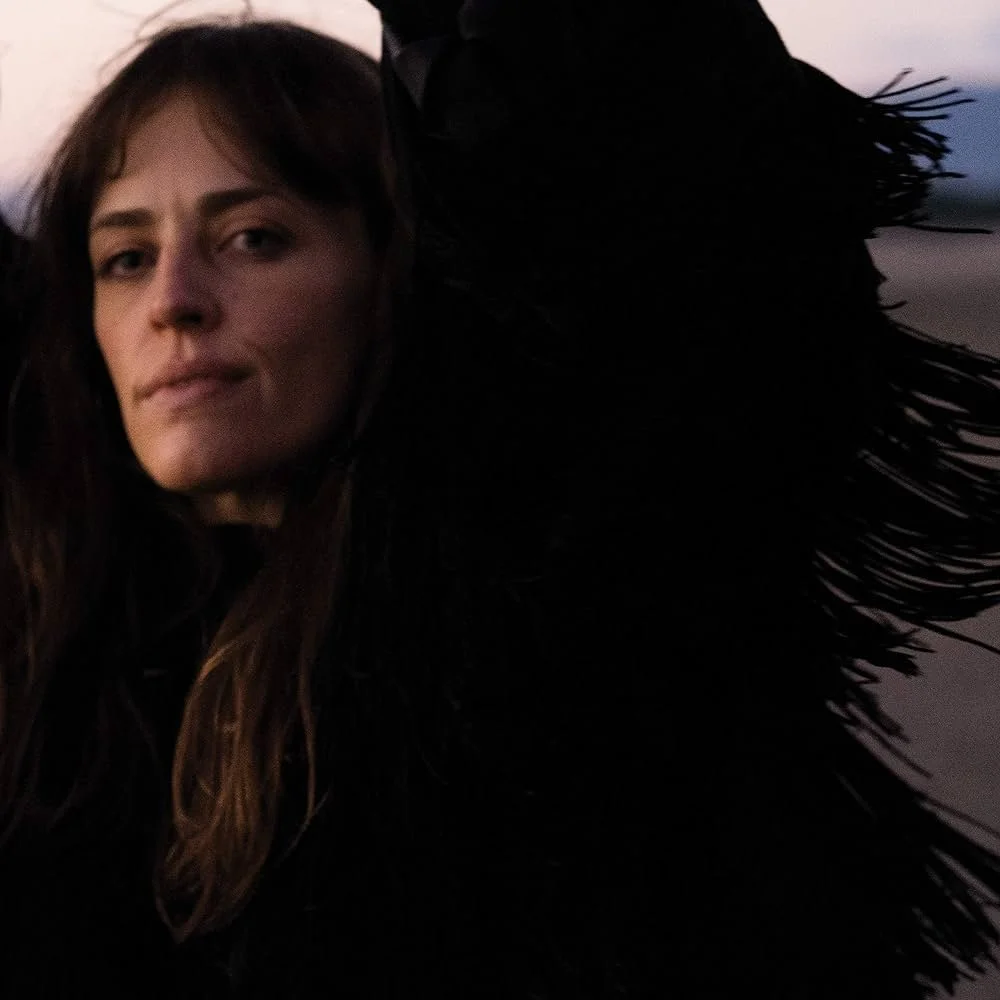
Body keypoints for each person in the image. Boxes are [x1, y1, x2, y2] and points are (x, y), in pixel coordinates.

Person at [3, 3, 1000, 997]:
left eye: (254, 237)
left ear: (395, 274)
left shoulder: (548, 608)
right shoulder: (64, 651)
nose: (173, 299)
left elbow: (652, 175)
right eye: (124, 257)